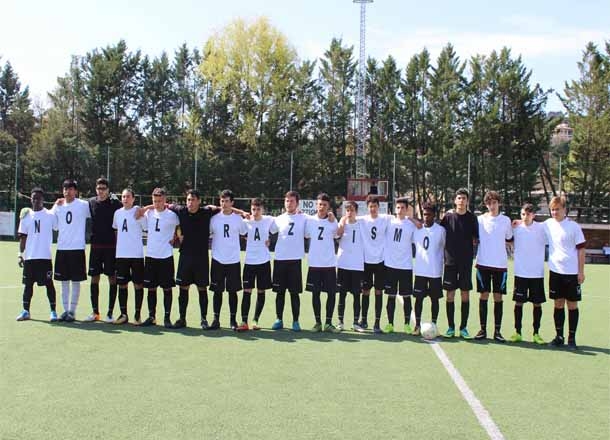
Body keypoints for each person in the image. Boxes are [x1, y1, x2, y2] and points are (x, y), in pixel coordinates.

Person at [169, 190, 221, 330]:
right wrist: (144, 209)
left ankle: (203, 319)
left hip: (201, 259)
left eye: (193, 200)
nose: (190, 203)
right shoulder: (181, 211)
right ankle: (182, 319)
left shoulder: (206, 212)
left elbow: (223, 207)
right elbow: (164, 205)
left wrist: (243, 212)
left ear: (199, 201)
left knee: (202, 289)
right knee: (183, 288)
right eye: (188, 200)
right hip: (185, 257)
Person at [544, 196, 586, 350]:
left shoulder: (573, 227)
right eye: (552, 210)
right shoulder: (547, 224)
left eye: (557, 209)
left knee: (572, 305)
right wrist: (518, 222)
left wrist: (581, 272)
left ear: (564, 210)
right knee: (558, 304)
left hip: (572, 273)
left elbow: (581, 250)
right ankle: (559, 336)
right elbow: (531, 225)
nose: (554, 212)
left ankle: (572, 339)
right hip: (555, 272)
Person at [474, 190, 513, 342]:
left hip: (500, 265)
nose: (492, 205)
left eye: (494, 202)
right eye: (489, 203)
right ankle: (483, 329)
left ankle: (497, 331)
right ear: (486, 205)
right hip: (483, 263)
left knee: (498, 297)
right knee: (483, 295)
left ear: (499, 203)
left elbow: (509, 239)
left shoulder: (506, 220)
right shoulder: (480, 220)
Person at [15, 188, 58, 322]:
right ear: (31, 199)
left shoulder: (50, 215)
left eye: (38, 198)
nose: (35, 200)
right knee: (28, 285)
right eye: (33, 198)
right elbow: (23, 238)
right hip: (30, 258)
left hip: (45, 258)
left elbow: (57, 227)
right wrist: (20, 254)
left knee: (49, 284)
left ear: (42, 200)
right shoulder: (26, 216)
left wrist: (58, 204)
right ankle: (26, 311)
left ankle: (53, 311)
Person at [441, 188, 479, 339]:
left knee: (465, 294)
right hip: (450, 262)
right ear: (455, 200)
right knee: (450, 295)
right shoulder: (448, 217)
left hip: (465, 262)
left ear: (467, 201)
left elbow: (476, 238)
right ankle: (451, 327)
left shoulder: (472, 218)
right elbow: (439, 233)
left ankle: (463, 327)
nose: (461, 200)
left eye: (464, 198)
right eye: (459, 198)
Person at [52, 179, 91, 322]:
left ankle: (72, 311)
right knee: (63, 281)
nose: (67, 191)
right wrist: (54, 205)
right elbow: (54, 225)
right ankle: (65, 310)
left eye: (70, 189)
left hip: (77, 248)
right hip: (62, 248)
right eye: (65, 189)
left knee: (75, 281)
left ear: (76, 191)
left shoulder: (83, 205)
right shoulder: (58, 206)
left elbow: (96, 209)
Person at [84, 177, 122, 323]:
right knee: (94, 277)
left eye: (103, 189)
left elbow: (128, 207)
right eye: (99, 188)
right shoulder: (90, 202)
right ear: (96, 189)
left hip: (111, 247)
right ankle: (95, 312)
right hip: (95, 247)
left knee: (112, 277)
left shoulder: (115, 204)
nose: (101, 191)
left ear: (108, 190)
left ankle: (110, 313)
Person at [208, 189, 247, 331]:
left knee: (232, 292)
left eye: (226, 201)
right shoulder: (214, 219)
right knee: (217, 291)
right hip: (217, 259)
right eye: (222, 201)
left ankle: (232, 320)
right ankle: (216, 320)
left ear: (232, 203)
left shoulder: (238, 219)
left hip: (233, 260)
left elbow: (246, 232)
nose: (224, 204)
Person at [141, 188, 180, 328]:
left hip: (166, 256)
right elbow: (140, 214)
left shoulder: (172, 215)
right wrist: (148, 207)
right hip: (151, 256)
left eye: (159, 201)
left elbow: (180, 226)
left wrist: (176, 237)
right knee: (151, 288)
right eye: (154, 201)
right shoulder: (149, 213)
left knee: (167, 289)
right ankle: (152, 316)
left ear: (165, 200)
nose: (157, 204)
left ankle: (167, 318)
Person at [508, 203, 547, 344]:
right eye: (523, 214)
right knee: (519, 303)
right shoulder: (516, 228)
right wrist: (515, 223)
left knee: (537, 304)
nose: (525, 216)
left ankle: (536, 333)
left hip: (537, 274)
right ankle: (517, 332)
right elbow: (507, 238)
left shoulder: (542, 228)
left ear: (533, 215)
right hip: (521, 273)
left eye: (528, 214)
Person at [268, 191, 307, 331]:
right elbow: (268, 230)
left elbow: (317, 222)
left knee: (294, 293)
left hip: (295, 261)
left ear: (297, 203)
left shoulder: (304, 218)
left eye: (291, 201)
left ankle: (296, 321)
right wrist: (266, 240)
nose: (288, 203)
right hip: (280, 260)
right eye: (287, 201)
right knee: (280, 292)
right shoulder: (278, 219)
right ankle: (279, 319)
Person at [237, 198, 274, 331]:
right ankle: (244, 321)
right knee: (247, 291)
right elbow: (239, 230)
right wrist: (241, 213)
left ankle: (255, 320)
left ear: (263, 209)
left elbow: (280, 227)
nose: (256, 212)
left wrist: (270, 239)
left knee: (261, 291)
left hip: (264, 261)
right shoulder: (245, 222)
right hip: (249, 262)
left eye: (258, 209)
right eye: (253, 209)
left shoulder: (269, 220)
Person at [112, 188, 147, 325]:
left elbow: (146, 228)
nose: (125, 199)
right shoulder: (117, 213)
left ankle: (137, 315)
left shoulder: (138, 212)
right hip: (121, 255)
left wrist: (142, 212)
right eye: (123, 196)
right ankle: (123, 314)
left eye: (128, 196)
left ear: (133, 199)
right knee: (122, 285)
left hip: (136, 255)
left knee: (138, 284)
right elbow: (116, 231)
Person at [305, 193, 339, 333]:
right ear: (316, 205)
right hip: (314, 264)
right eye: (320, 204)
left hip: (329, 264)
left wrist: (334, 219)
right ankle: (318, 322)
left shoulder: (333, 221)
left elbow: (338, 234)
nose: (322, 207)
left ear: (328, 206)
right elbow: (305, 234)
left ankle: (328, 323)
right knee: (315, 294)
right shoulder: (310, 220)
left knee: (331, 294)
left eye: (324, 205)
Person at [382, 197, 416, 334]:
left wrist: (413, 219)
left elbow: (420, 228)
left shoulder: (411, 225)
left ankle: (407, 324)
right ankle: (390, 324)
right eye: (398, 207)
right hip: (390, 265)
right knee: (391, 296)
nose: (400, 210)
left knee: (406, 296)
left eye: (402, 208)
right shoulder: (388, 222)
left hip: (406, 266)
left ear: (407, 209)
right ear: (394, 209)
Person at [358, 195, 391, 333]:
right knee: (365, 291)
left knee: (378, 291)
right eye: (370, 206)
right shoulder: (362, 220)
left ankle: (377, 323)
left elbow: (402, 218)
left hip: (380, 261)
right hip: (366, 261)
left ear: (379, 207)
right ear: (367, 207)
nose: (373, 209)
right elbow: (347, 218)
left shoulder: (386, 218)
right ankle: (364, 320)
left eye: (375, 206)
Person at [412, 203, 446, 336]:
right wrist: (412, 219)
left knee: (434, 299)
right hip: (420, 271)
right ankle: (417, 325)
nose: (426, 217)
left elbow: (445, 247)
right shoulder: (417, 230)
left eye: (429, 214)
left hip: (435, 271)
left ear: (434, 215)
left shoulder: (441, 231)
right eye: (424, 214)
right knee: (418, 299)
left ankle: (434, 324)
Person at [336, 201, 365, 332]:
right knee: (342, 295)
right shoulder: (342, 223)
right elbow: (337, 235)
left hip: (357, 266)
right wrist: (342, 223)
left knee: (356, 295)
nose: (349, 212)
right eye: (347, 210)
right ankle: (340, 322)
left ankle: (355, 323)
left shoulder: (362, 224)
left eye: (352, 210)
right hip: (343, 264)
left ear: (356, 212)